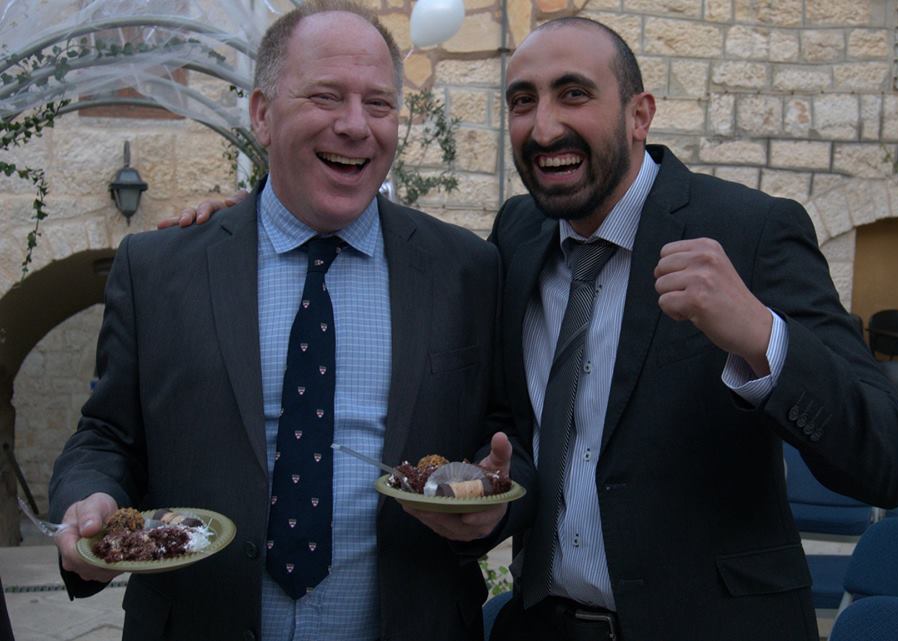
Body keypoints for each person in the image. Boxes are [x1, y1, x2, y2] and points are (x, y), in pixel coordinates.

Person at [176, 15, 898, 641]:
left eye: (574, 95)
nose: (544, 126)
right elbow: (515, 439)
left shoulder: (750, 232)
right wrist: (252, 224)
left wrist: (762, 337)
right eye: (521, 101)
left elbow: (886, 460)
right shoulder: (518, 238)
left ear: (639, 114)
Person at [47, 2, 533, 640]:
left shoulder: (467, 269)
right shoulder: (160, 270)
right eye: (326, 96)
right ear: (261, 114)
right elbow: (107, 435)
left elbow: (513, 437)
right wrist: (90, 501)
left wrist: (493, 509)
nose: (355, 125)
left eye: (379, 104)